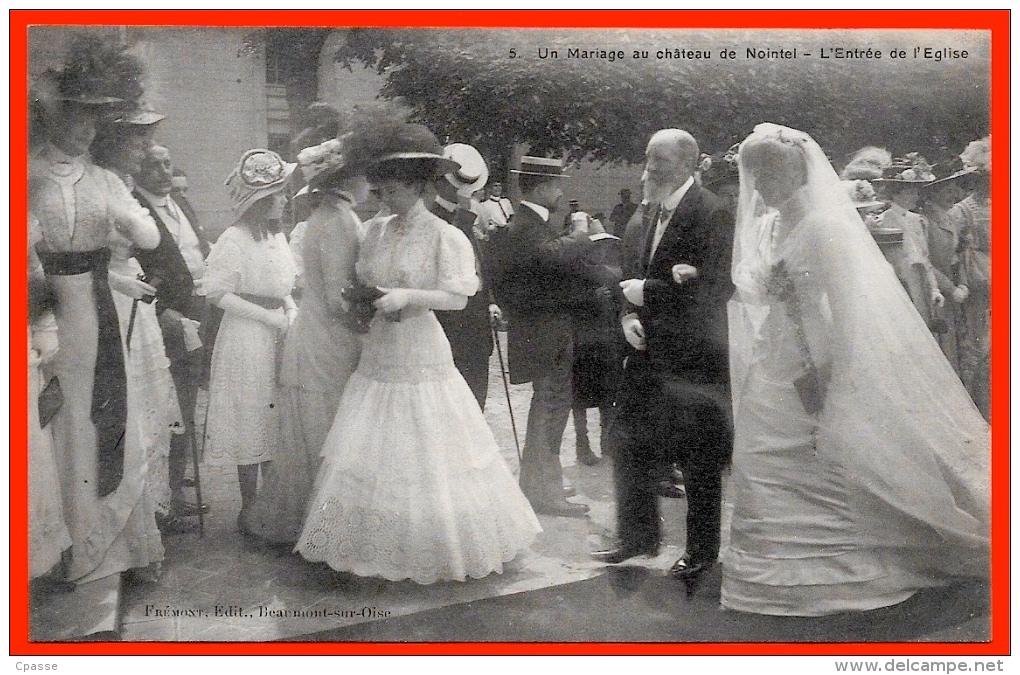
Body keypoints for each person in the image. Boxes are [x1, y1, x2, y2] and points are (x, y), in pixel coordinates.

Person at [723, 123, 989, 616]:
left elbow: (848, 308)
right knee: (763, 453)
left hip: (815, 354)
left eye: (767, 176)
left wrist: (839, 375)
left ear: (794, 175)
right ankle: (767, 562)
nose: (758, 188)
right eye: (755, 176)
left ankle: (842, 558)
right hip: (772, 358)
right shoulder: (767, 225)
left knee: (821, 447)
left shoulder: (825, 228)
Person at [296, 123, 540, 583]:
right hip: (378, 352)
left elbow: (458, 296)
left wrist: (408, 297)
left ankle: (432, 546)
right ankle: (367, 545)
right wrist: (363, 300)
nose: (379, 191)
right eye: (378, 181)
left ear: (415, 184)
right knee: (371, 447)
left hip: (419, 349)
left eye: (389, 182)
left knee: (428, 443)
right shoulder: (374, 231)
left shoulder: (445, 236)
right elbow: (361, 280)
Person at [29, 62, 164, 585]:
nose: (87, 129)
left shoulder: (105, 179)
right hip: (45, 305)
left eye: (93, 119)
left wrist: (128, 217)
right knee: (57, 417)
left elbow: (148, 240)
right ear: (52, 118)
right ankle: (63, 546)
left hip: (96, 306)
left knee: (101, 413)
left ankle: (110, 546)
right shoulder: (26, 173)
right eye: (77, 117)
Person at [591, 129, 734, 598]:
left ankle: (701, 550)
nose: (651, 169)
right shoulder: (643, 211)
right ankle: (637, 537)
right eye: (649, 158)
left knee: (697, 458)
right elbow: (626, 274)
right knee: (628, 444)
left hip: (693, 359)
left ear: (689, 163)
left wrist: (648, 294)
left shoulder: (711, 212)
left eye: (662, 162)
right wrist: (627, 314)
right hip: (644, 352)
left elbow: (716, 287)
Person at [244, 138, 366, 545]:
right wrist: (375, 313)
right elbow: (337, 299)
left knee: (318, 429)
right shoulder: (339, 220)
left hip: (315, 332)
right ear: (345, 179)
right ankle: (322, 529)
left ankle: (311, 522)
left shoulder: (323, 218)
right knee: (327, 430)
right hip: (328, 338)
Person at [493, 156, 594, 518]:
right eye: (557, 186)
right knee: (550, 408)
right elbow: (549, 256)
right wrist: (580, 233)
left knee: (549, 407)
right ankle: (544, 493)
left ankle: (539, 484)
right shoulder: (528, 225)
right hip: (544, 333)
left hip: (544, 331)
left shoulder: (531, 222)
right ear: (541, 188)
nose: (561, 193)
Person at [204, 149, 298, 534]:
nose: (284, 200)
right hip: (247, 337)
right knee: (250, 415)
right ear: (259, 201)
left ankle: (272, 506)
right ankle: (250, 508)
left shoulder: (276, 238)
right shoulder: (233, 239)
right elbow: (217, 293)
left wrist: (290, 311)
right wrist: (267, 317)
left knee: (274, 416)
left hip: (280, 331)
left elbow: (284, 285)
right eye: (277, 194)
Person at [133, 144, 212, 532]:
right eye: (154, 165)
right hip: (167, 318)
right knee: (171, 406)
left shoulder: (180, 202)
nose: (164, 171)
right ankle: (164, 501)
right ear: (138, 170)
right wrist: (161, 310)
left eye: (167, 163)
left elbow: (198, 249)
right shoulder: (134, 207)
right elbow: (138, 270)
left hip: (198, 311)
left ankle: (176, 492)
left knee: (189, 401)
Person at [431, 142, 500, 408]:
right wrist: (463, 215)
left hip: (476, 330)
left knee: (475, 405)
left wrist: (491, 300)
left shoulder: (471, 215)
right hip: (449, 328)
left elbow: (480, 264)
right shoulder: (435, 218)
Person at [569, 216, 623, 467]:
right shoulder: (573, 276)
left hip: (606, 344)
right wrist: (589, 298)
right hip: (582, 346)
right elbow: (566, 308)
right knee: (579, 399)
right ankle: (582, 444)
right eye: (595, 246)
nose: (600, 251)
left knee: (608, 396)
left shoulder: (611, 275)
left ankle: (607, 440)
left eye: (603, 246)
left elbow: (621, 310)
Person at [872, 156, 944, 329]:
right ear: (896, 193)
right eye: (910, 192)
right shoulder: (880, 222)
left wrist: (934, 288)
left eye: (916, 191)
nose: (916, 196)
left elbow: (925, 259)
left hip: (921, 285)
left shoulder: (918, 220)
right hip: (898, 285)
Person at [949, 137, 991, 422]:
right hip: (979, 282)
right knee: (980, 345)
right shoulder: (962, 211)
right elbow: (950, 250)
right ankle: (979, 407)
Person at [918, 163, 970, 376]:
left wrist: (964, 282)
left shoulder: (949, 216)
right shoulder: (924, 220)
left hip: (955, 291)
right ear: (933, 191)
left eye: (953, 188)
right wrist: (950, 288)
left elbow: (958, 254)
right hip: (935, 291)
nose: (953, 193)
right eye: (947, 189)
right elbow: (925, 262)